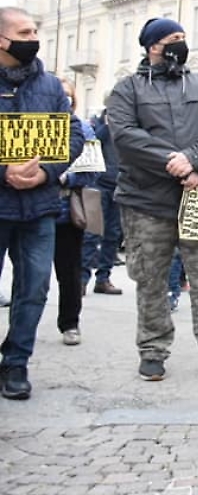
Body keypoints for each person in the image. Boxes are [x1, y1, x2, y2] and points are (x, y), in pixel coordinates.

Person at [107, 17, 198, 381]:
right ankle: (152, 350)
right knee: (151, 277)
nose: (181, 43)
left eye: (184, 37)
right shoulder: (128, 89)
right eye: (173, 38)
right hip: (146, 201)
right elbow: (125, 137)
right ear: (153, 46)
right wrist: (179, 166)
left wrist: (194, 159)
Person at [0, 7, 84, 399]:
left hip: (40, 207)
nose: (32, 37)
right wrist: (5, 172)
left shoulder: (51, 87)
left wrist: (46, 171)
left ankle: (16, 363)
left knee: (33, 289)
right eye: (24, 31)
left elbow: (73, 138)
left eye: (35, 30)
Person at [52, 79, 100, 346]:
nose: (66, 100)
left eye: (70, 96)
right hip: (34, 210)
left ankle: (70, 323)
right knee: (30, 277)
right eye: (62, 95)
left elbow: (92, 170)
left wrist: (64, 179)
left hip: (67, 212)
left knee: (69, 273)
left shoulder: (83, 129)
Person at [81, 104, 123, 296]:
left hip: (120, 185)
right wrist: (107, 125)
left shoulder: (128, 123)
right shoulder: (98, 123)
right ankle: (81, 278)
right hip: (98, 184)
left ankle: (103, 278)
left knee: (112, 235)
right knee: (92, 233)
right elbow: (93, 143)